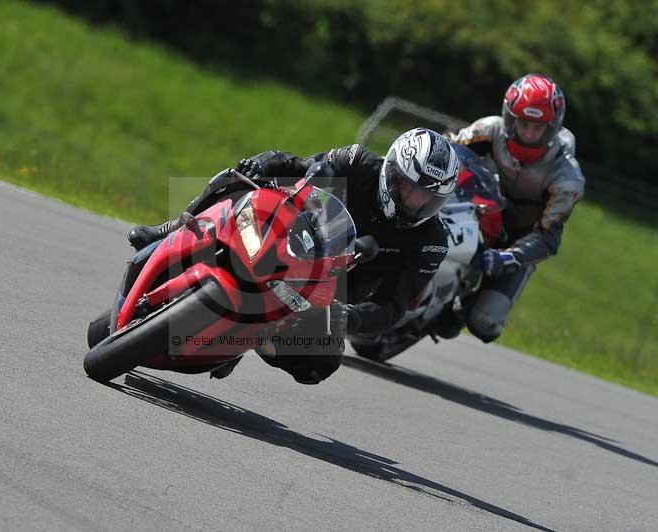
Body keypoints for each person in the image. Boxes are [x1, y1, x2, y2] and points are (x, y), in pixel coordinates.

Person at [128, 127, 459, 382]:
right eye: (408, 188)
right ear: (392, 171)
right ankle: (170, 231)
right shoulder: (355, 162)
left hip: (330, 295)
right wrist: (265, 162)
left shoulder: (430, 241)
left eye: (427, 198)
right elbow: (302, 168)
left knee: (322, 363)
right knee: (238, 180)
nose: (414, 202)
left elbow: (392, 307)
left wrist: (351, 317)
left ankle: (253, 341)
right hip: (294, 240)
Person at [449, 73, 585, 342]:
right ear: (510, 117)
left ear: (553, 128)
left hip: (517, 241)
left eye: (539, 128)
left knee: (485, 323)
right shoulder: (488, 129)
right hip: (477, 216)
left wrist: (506, 257)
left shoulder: (567, 178)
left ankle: (459, 311)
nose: (529, 134)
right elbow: (448, 155)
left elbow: (548, 238)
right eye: (523, 123)